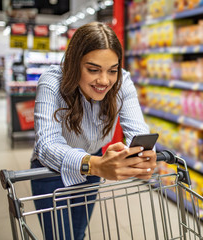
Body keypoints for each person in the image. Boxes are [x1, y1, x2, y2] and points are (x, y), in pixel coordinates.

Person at [30, 21, 157, 240]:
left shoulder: (123, 81)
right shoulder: (51, 82)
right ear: (73, 63)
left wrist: (141, 154)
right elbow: (46, 145)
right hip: (50, 171)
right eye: (93, 70)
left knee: (78, 233)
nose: (104, 81)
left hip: (94, 167)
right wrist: (95, 164)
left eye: (112, 70)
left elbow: (137, 130)